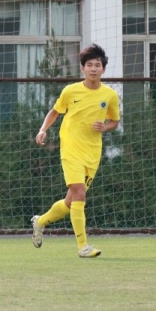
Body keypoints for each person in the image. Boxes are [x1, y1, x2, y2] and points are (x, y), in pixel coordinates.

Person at [31, 43, 120, 258]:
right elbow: (54, 112)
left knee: (71, 202)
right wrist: (43, 130)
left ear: (103, 69)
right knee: (80, 193)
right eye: (89, 65)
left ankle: (40, 221)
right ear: (82, 69)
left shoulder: (109, 95)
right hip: (70, 150)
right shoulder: (71, 91)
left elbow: (115, 122)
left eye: (97, 65)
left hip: (92, 153)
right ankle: (83, 246)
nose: (93, 69)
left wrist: (104, 126)